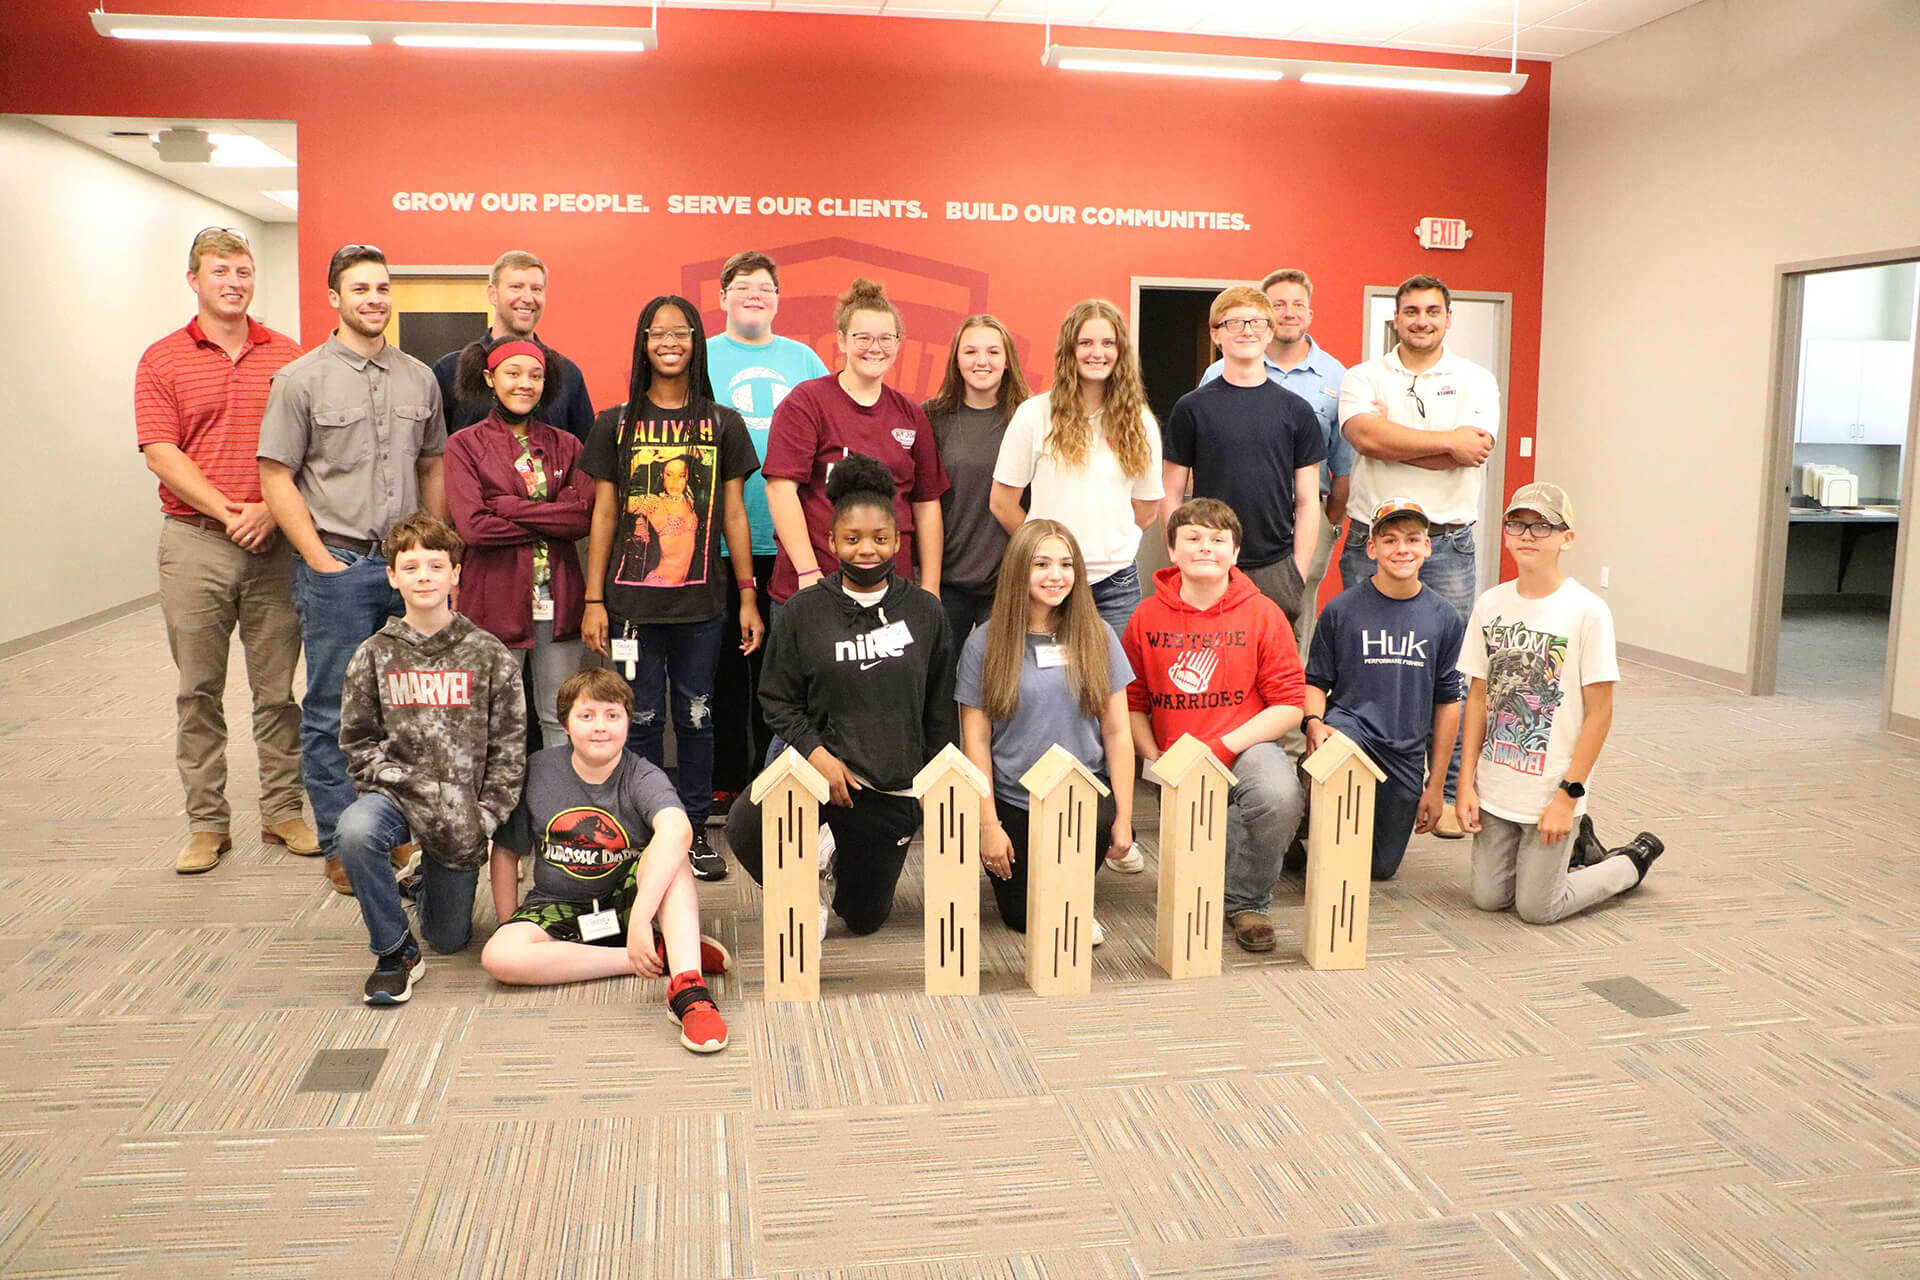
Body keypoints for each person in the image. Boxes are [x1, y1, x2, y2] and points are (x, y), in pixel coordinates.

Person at [258, 243, 448, 894]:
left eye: (382, 288)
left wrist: (436, 554)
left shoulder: (419, 378)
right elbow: (276, 476)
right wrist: (319, 560)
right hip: (337, 563)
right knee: (333, 711)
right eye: (360, 289)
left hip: (407, 570)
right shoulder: (300, 379)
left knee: (411, 709)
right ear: (335, 298)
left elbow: (432, 465)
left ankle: (395, 833)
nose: (374, 299)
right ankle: (342, 844)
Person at [137, 226, 313, 875]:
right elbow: (161, 452)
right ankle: (208, 825)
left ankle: (282, 811)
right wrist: (229, 510)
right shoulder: (162, 359)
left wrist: (269, 508)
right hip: (195, 543)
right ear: (194, 279)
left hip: (275, 545)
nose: (234, 283)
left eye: (243, 271)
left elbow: (310, 449)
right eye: (220, 271)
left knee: (278, 693)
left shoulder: (288, 356)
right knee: (198, 692)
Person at [723, 454, 956, 938]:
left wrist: (931, 785)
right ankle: (803, 886)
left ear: (898, 540)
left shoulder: (925, 611)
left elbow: (938, 708)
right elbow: (777, 699)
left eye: (879, 539)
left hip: (889, 786)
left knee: (864, 918)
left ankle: (830, 848)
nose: (866, 550)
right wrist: (818, 756)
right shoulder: (804, 610)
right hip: (820, 771)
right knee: (744, 826)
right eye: (852, 539)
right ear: (831, 542)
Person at [582, 296, 761, 882]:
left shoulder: (722, 423)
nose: (668, 342)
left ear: (695, 341)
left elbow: (733, 514)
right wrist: (593, 599)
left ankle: (691, 829)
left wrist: (748, 595)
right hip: (632, 606)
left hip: (702, 607)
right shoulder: (615, 424)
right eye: (657, 333)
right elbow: (603, 515)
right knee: (642, 720)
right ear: (643, 342)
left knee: (696, 718)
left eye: (679, 332)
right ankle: (643, 829)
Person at [481, 668, 730, 1053]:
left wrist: (641, 919)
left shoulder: (642, 774)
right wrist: (507, 924)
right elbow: (505, 851)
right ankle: (651, 957)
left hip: (627, 903)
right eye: (587, 715)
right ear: (566, 724)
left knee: (673, 857)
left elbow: (678, 829)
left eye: (612, 715)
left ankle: (689, 991)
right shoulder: (538, 770)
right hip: (557, 903)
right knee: (498, 956)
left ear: (628, 722)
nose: (600, 726)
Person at [333, 513, 526, 1005]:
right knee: (354, 831)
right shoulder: (373, 654)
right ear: (392, 576)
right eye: (411, 566)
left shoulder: (488, 654)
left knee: (448, 938)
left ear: (455, 574)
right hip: (395, 799)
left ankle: (422, 883)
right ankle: (394, 952)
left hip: (462, 815)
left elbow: (510, 749)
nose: (424, 576)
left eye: (436, 566)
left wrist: (483, 817)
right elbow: (357, 743)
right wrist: (415, 789)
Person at [1338, 273, 1501, 837]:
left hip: (1447, 541)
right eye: (1411, 311)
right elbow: (1364, 438)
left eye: (1433, 311)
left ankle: (1450, 791)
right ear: (1396, 318)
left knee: (1450, 671)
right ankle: (1369, 781)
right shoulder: (1363, 376)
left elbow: (1472, 451)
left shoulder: (1476, 379)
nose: (1422, 321)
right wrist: (1445, 442)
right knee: (1366, 662)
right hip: (1373, 539)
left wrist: (1394, 440)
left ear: (1448, 318)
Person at [1458, 483, 1662, 922]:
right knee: (1489, 898)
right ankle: (1571, 850)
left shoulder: (1587, 611)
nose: (1527, 535)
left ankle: (1627, 863)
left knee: (1538, 908)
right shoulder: (1490, 604)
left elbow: (1600, 713)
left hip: (1553, 789)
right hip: (1496, 787)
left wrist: (1569, 796)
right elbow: (1476, 698)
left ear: (1566, 538)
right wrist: (1465, 783)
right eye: (1517, 524)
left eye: (1542, 526)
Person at [1122, 499, 1306, 953]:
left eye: (1218, 539)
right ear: (1172, 550)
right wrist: (1153, 758)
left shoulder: (1263, 613)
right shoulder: (1146, 617)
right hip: (1177, 757)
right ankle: (1219, 882)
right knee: (1190, 886)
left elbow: (1288, 706)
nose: (1206, 547)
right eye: (1193, 538)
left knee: (1278, 796)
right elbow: (1130, 702)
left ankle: (1247, 902)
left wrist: (1222, 747)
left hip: (1245, 744)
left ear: (1235, 553)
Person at [957, 521, 1132, 939]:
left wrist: (1125, 817)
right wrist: (988, 825)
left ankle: (1072, 899)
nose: (1056, 575)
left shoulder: (1098, 635)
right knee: (1023, 918)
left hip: (1082, 796)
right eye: (1042, 564)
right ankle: (1062, 898)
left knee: (1055, 914)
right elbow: (975, 740)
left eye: (1066, 564)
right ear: (1019, 568)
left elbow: (1117, 732)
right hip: (1013, 800)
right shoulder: (985, 643)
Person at [706, 250, 831, 811]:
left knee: (780, 674)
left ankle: (774, 782)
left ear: (778, 300)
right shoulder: (702, 357)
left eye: (765, 287)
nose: (754, 295)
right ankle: (727, 781)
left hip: (788, 542)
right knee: (723, 670)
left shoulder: (803, 359)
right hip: (715, 542)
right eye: (743, 286)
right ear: (722, 297)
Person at [1302, 499, 1466, 880]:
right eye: (1390, 540)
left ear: (1428, 547)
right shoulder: (1341, 610)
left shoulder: (1444, 618)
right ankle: (1308, 817)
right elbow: (1316, 682)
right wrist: (1313, 722)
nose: (1402, 549)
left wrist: (1436, 786)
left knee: (1379, 868)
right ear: (1372, 548)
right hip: (1351, 732)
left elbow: (1448, 703)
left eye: (1412, 539)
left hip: (1404, 754)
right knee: (1338, 853)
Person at [762, 278, 948, 612]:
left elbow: (926, 503)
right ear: (842, 340)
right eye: (863, 338)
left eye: (886, 338)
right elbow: (780, 490)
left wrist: (930, 588)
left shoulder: (910, 415)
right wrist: (808, 573)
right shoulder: (807, 402)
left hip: (893, 594)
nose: (875, 348)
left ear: (898, 342)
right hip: (816, 590)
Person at [444, 337, 594, 750]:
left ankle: (558, 794)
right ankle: (500, 795)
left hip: (558, 599)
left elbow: (582, 517)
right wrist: (550, 516)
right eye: (513, 373)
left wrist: (506, 506)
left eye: (535, 375)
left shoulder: (568, 444)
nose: (525, 383)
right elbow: (473, 527)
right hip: (493, 599)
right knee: (494, 721)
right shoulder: (463, 445)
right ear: (490, 378)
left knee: (560, 718)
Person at [1199, 269, 1351, 653]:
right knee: (1220, 626)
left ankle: (1291, 692)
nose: (1289, 312)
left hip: (1306, 516)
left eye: (1298, 304)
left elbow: (1344, 464)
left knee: (1290, 627)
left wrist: (1328, 524)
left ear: (1310, 314)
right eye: (1279, 304)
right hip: (1228, 519)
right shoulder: (1217, 372)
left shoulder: (1337, 376)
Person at [992, 299, 1163, 635]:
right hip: (1048, 583)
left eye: (1107, 343)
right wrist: (1043, 553)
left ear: (1121, 351)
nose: (1097, 353)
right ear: (1069, 350)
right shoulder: (1035, 414)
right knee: (1046, 670)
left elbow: (1145, 511)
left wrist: (1111, 545)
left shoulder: (1140, 422)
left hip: (1116, 585)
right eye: (1086, 343)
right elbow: (1002, 503)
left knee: (1115, 672)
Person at [1163, 285, 1325, 623]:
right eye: (1234, 322)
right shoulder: (1192, 408)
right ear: (1216, 335)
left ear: (1270, 333)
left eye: (1256, 322)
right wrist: (1178, 555)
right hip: (1209, 560)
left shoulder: (1296, 411)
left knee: (1276, 657)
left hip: (1275, 566)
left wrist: (1296, 572)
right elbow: (1171, 493)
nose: (1247, 330)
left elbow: (1308, 500)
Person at [924, 315, 1031, 666]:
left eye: (993, 352)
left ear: (1008, 360)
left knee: (999, 681)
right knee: (938, 682)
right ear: (956, 360)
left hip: (1006, 581)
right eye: (970, 351)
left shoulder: (1029, 417)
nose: (981, 361)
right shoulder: (931, 418)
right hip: (944, 580)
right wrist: (927, 582)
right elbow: (920, 502)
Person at [432, 250, 594, 440]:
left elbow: (585, 452)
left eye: (536, 289)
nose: (528, 298)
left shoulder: (567, 374)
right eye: (516, 287)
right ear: (493, 294)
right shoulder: (450, 370)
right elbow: (435, 451)